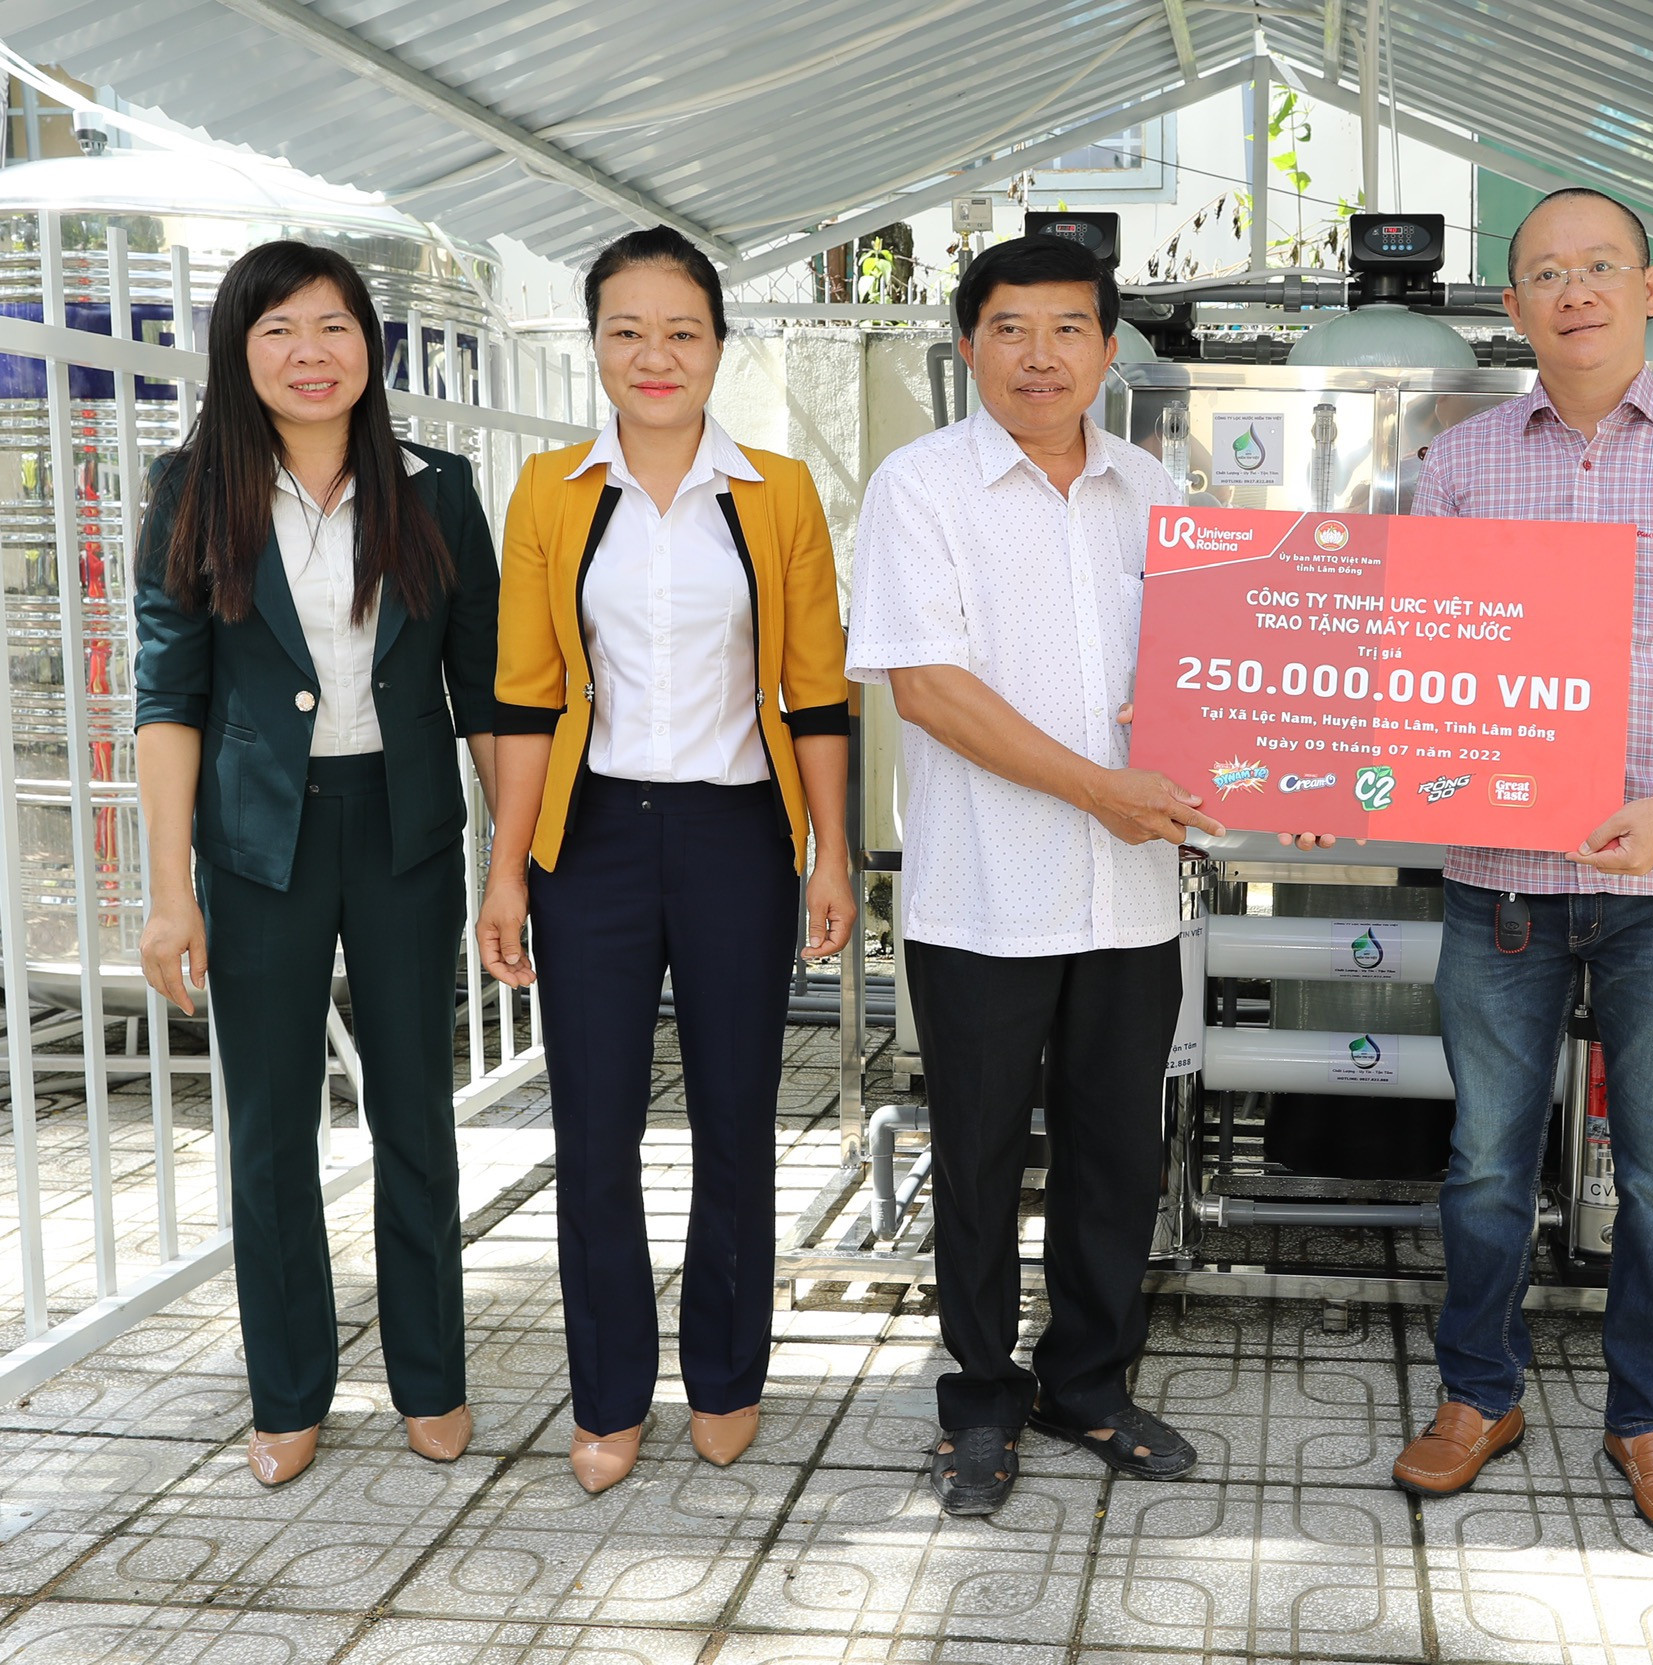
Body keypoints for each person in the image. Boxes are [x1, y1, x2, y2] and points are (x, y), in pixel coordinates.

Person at [1386, 187, 1653, 1536]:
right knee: (1484, 1161)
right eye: (1548, 273)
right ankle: (1478, 1392)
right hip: (1499, 875)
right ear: (1512, 305)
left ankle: (1647, 1415)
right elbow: (1414, 658)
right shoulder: (1461, 463)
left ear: (1651, 286)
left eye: (1601, 267)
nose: (1576, 292)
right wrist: (1329, 771)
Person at [844, 233, 1221, 1517]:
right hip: (981, 897)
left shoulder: (1154, 494)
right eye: (1010, 328)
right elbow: (930, 689)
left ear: (1109, 350)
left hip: (1129, 901)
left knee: (1117, 1154)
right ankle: (979, 1397)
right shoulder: (921, 487)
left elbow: (1211, 680)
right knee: (980, 1160)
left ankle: (1088, 1385)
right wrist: (1101, 790)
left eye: (1068, 329)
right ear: (969, 347)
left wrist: (1287, 776)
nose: (1039, 355)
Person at [475, 226, 854, 1494]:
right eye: (627, 330)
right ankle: (607, 1395)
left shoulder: (778, 492)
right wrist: (507, 869)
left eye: (681, 331)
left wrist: (830, 856)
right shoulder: (549, 490)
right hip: (590, 840)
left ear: (719, 347)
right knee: (595, 1129)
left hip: (739, 834)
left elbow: (816, 692)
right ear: (593, 345)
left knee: (738, 1118)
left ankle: (728, 1375)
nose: (655, 355)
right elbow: (524, 695)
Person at [134, 240, 499, 1486]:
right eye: (278, 329)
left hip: (404, 835)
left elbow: (484, 692)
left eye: (334, 326)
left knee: (416, 1114)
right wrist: (170, 891)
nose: (310, 353)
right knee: (271, 1128)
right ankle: (287, 1391)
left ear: (370, 345)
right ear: (239, 352)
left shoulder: (437, 490)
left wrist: (512, 862)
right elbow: (169, 699)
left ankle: (431, 1378)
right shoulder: (190, 492)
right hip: (257, 848)